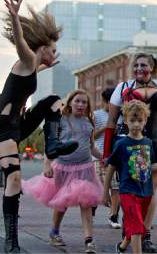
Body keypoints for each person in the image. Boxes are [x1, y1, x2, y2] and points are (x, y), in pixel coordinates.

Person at [0, 0, 78, 253]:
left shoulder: (33, 67)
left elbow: (31, 74)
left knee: (54, 101)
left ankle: (53, 145)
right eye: (52, 49)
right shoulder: (27, 59)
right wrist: (16, 19)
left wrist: (45, 66)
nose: (55, 53)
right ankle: (11, 241)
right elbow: (20, 44)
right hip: (4, 128)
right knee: (14, 179)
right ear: (42, 48)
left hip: (19, 124)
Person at [22, 89, 103, 253]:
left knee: (86, 204)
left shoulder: (89, 122)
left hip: (85, 167)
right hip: (63, 168)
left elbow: (92, 147)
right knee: (62, 203)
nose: (80, 104)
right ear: (70, 103)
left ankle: (89, 240)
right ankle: (54, 232)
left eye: (84, 102)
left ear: (88, 106)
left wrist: (103, 157)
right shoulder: (61, 120)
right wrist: (47, 165)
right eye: (77, 101)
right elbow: (50, 145)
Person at [103, 53, 157, 253]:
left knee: (151, 189)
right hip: (128, 141)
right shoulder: (122, 87)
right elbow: (111, 122)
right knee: (130, 188)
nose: (140, 68)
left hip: (156, 142)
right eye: (137, 65)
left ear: (153, 67)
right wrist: (107, 152)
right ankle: (130, 232)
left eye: (144, 65)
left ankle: (144, 235)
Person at [93, 87, 121, 228]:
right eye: (110, 102)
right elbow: (91, 137)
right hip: (98, 156)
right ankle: (91, 210)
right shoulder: (96, 115)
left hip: (115, 156)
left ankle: (113, 216)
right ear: (104, 101)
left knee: (116, 188)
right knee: (97, 188)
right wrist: (105, 128)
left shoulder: (120, 116)